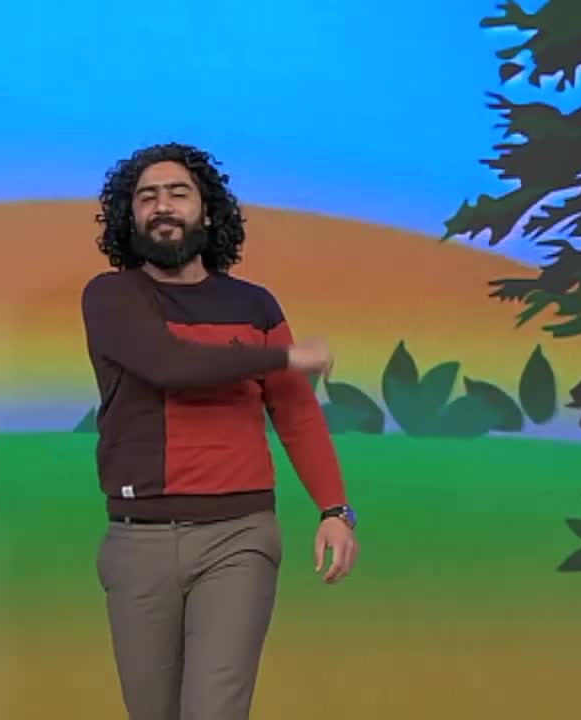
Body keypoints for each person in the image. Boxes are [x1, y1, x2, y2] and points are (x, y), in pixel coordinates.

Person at [79, 141, 359, 720]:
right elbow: (168, 364)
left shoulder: (254, 306)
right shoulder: (111, 296)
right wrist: (283, 357)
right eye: (146, 197)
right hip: (138, 541)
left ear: (207, 212)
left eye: (178, 193)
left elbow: (296, 414)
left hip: (239, 536)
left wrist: (335, 510)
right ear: (129, 216)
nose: (162, 206)